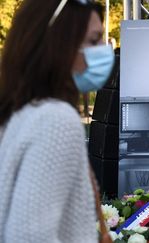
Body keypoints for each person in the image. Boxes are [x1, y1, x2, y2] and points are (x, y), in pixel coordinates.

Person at [0, 0, 114, 242]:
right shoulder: (56, 120)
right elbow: (29, 236)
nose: (104, 50)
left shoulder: (19, 114)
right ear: (59, 45)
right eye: (93, 41)